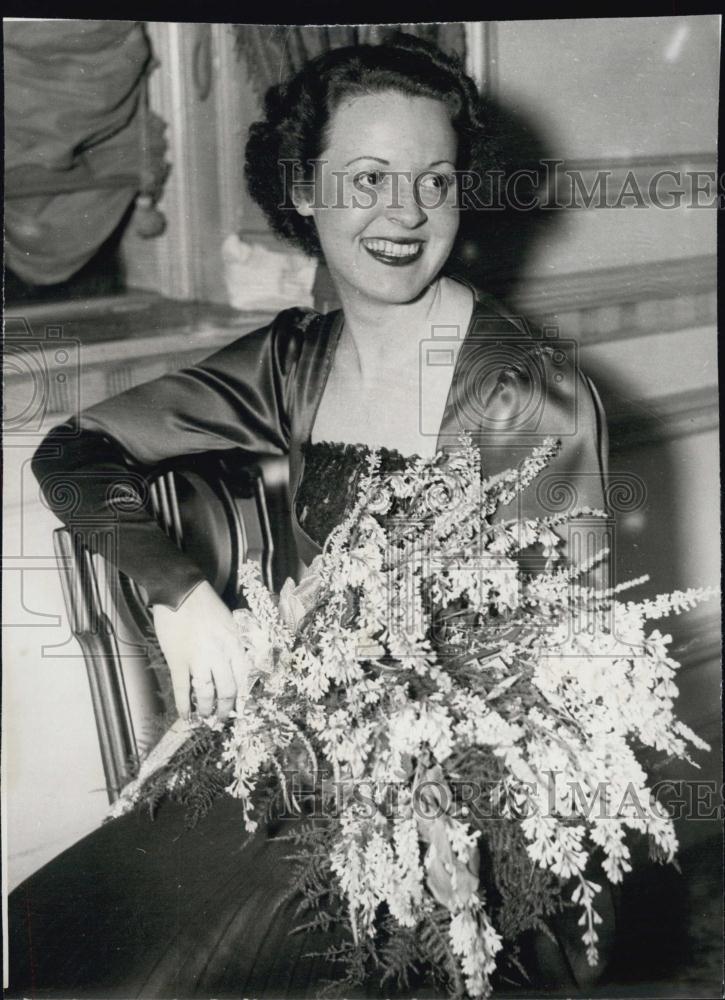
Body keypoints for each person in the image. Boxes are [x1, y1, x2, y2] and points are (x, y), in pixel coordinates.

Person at [7, 34, 609, 998]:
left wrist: (417, 794)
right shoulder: (295, 362)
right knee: (50, 926)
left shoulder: (524, 392)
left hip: (472, 829)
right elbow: (72, 454)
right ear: (302, 190)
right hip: (300, 774)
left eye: (434, 180)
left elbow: (563, 679)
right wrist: (180, 592)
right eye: (366, 178)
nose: (404, 214)